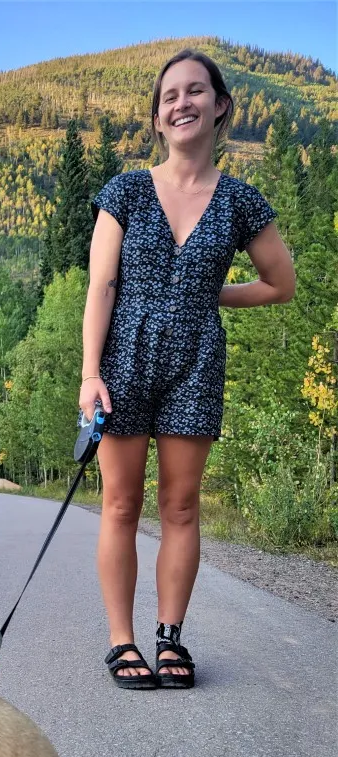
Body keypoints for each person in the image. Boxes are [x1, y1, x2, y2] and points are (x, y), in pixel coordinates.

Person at [79, 49, 295, 690]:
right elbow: (101, 288)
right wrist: (90, 374)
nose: (182, 103)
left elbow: (279, 285)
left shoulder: (241, 203)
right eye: (170, 95)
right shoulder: (124, 191)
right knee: (120, 505)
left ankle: (170, 638)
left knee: (179, 506)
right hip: (122, 362)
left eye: (195, 91)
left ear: (221, 105)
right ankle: (122, 643)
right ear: (157, 117)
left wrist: (209, 297)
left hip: (196, 363)